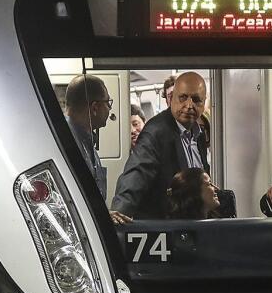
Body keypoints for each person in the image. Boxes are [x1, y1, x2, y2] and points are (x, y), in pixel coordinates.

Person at [112, 72, 209, 221]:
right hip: (164, 231)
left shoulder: (199, 134)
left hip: (193, 226)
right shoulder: (156, 131)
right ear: (172, 99)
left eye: (196, 99)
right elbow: (137, 173)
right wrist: (119, 214)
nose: (189, 105)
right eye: (183, 97)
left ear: (204, 103)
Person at [64, 73, 112, 197]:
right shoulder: (66, 142)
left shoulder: (85, 138)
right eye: (108, 102)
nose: (110, 108)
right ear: (95, 108)